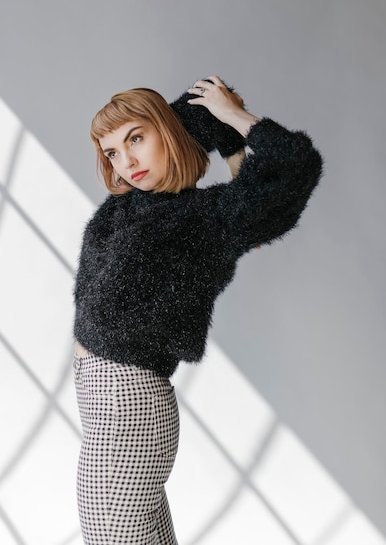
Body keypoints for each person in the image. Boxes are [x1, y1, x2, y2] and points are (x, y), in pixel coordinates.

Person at [73, 75, 323, 545]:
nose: (126, 161)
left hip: (127, 406)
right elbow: (193, 108)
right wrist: (231, 149)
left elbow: (295, 164)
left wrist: (236, 118)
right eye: (112, 152)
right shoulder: (140, 201)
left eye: (136, 139)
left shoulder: (208, 217)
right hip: (108, 406)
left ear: (163, 135)